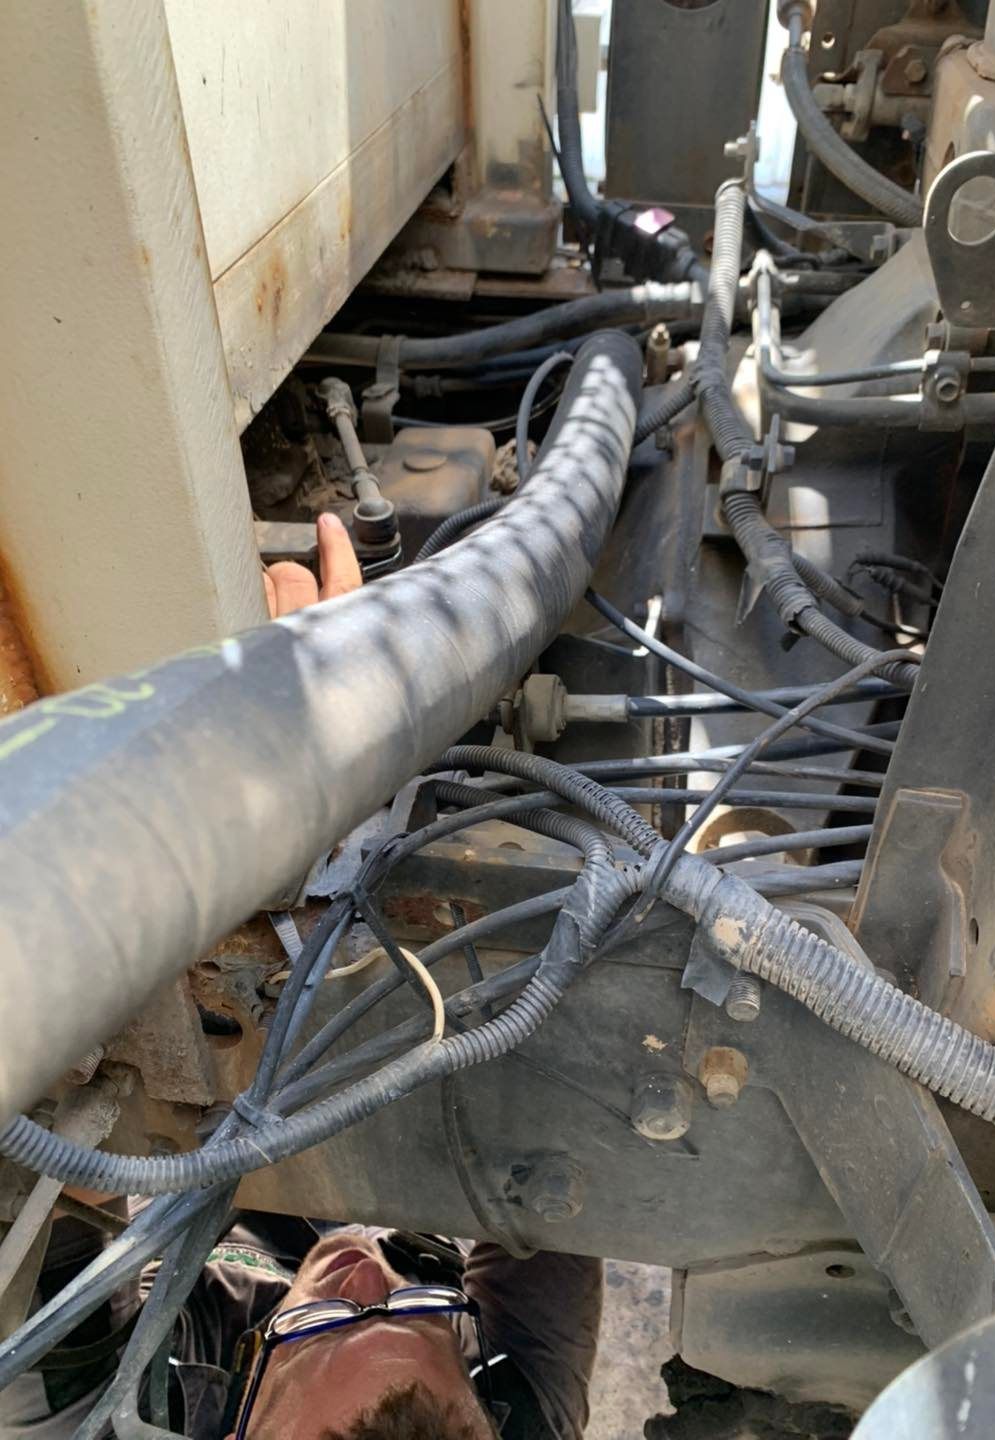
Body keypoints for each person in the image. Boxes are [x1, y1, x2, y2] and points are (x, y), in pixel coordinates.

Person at [1, 516, 604, 1440]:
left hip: (204, 1283)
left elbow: (54, 1153)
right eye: (408, 1312)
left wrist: (243, 774)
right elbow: (557, 1169)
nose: (366, 1271)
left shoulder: (68, 1410)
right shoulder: (523, 1415)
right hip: (335, 1240)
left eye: (335, 1322)